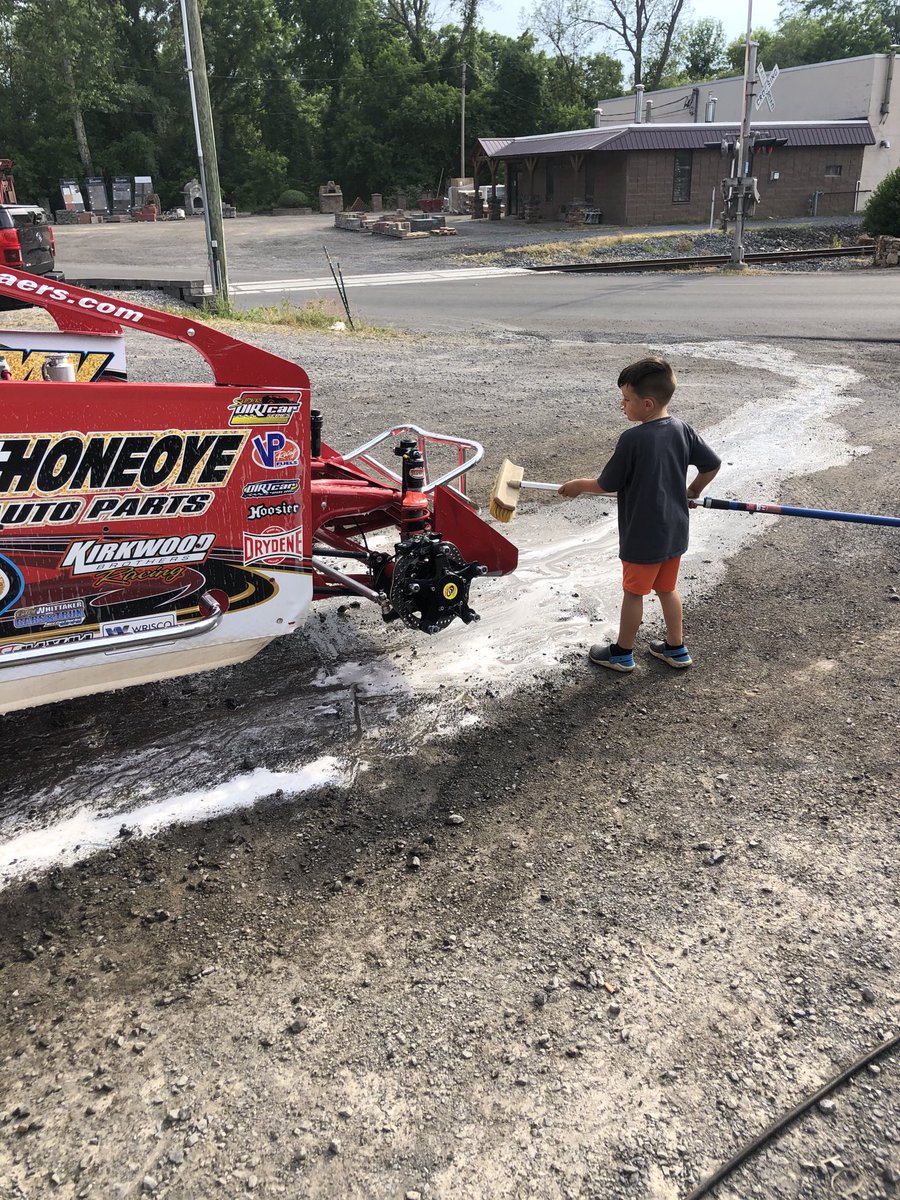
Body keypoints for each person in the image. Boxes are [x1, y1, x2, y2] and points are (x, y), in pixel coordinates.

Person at [558, 356, 721, 673]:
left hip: (642, 536)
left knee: (633, 594)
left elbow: (606, 483)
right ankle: (676, 648)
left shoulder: (633, 439)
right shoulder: (681, 429)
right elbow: (711, 464)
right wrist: (693, 491)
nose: (623, 405)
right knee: (667, 589)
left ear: (647, 404)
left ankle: (622, 653)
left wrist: (578, 485)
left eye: (627, 399)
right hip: (673, 532)